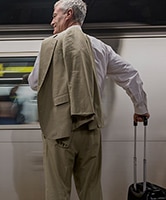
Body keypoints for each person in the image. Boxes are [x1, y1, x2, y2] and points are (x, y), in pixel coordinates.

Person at [27, 0, 150, 199]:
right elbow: (131, 75)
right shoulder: (100, 47)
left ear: (68, 14)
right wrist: (140, 108)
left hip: (60, 132)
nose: (52, 21)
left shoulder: (49, 46)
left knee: (57, 193)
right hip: (90, 130)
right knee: (91, 191)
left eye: (55, 15)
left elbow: (34, 83)